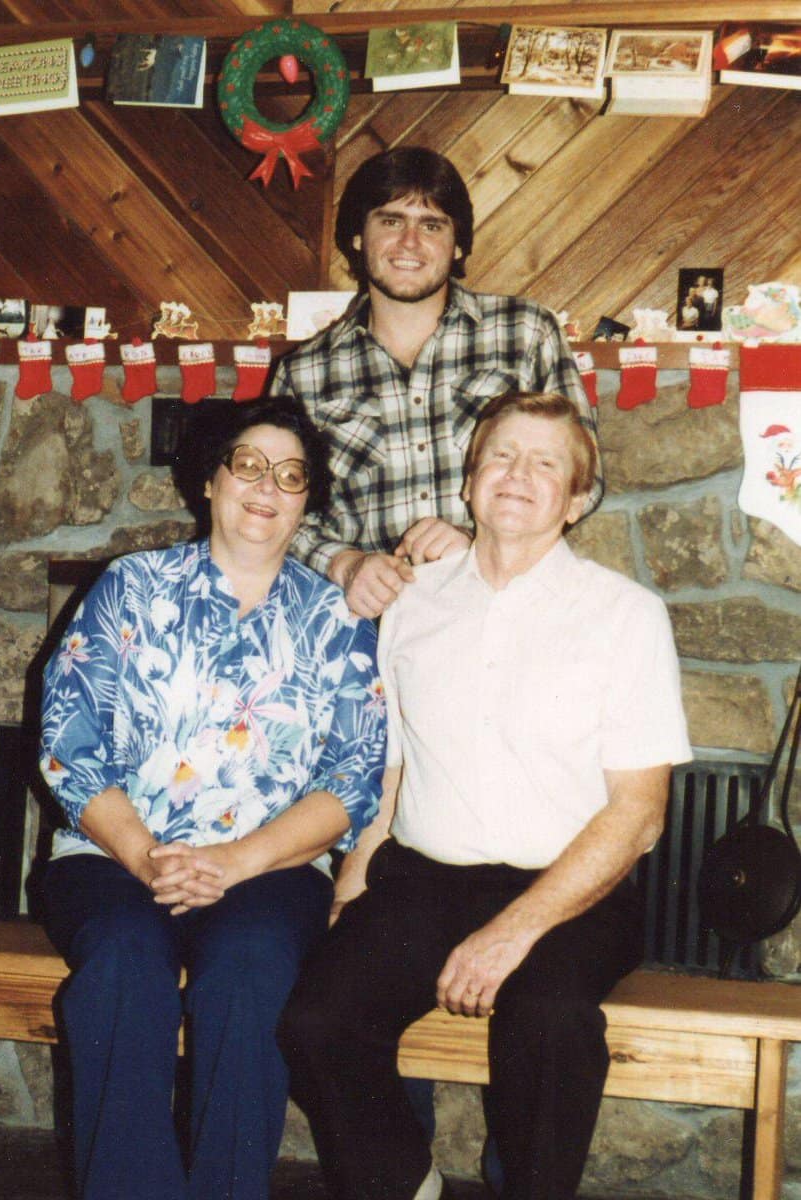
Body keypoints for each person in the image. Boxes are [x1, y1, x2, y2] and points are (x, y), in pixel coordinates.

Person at [279, 392, 692, 1200]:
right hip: (423, 881)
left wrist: (513, 931)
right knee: (315, 1023)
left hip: (570, 893)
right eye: (501, 455)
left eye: (546, 464)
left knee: (549, 1022)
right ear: (469, 484)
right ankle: (407, 1185)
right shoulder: (412, 603)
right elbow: (395, 769)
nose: (518, 475)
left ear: (576, 501)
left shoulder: (625, 616)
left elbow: (638, 813)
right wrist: (351, 884)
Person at [39, 396, 387, 1200]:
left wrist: (230, 864)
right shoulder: (131, 587)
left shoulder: (336, 619)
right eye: (249, 465)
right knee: (123, 964)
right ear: (209, 479)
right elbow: (68, 742)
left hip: (268, 870)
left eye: (292, 476)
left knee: (251, 968)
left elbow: (353, 776)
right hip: (112, 858)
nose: (267, 487)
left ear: (307, 502)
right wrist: (148, 856)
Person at [271, 146, 599, 619]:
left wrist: (481, 548)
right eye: (389, 220)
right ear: (359, 238)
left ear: (458, 243)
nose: (409, 242)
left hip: (514, 611)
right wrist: (346, 564)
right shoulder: (303, 374)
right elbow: (281, 508)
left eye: (431, 225)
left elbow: (585, 480)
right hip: (375, 630)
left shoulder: (525, 333)